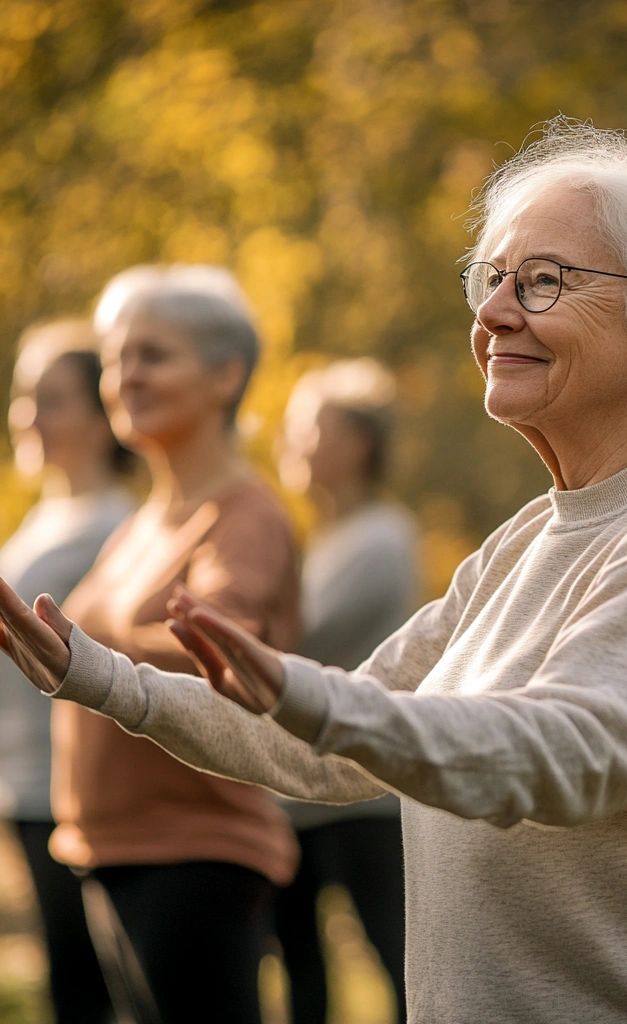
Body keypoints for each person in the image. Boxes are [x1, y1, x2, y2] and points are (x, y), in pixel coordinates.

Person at [0, 121, 627, 1023]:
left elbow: (566, 755)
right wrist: (100, 677)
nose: (495, 312)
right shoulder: (526, 540)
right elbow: (325, 746)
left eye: (542, 282)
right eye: (489, 279)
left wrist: (315, 699)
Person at [48, 266, 301, 1024]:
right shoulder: (142, 523)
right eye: (117, 358)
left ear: (226, 375)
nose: (126, 376)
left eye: (153, 355)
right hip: (112, 849)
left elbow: (223, 652)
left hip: (194, 853)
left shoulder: (244, 515)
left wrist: (77, 646)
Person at [0, 320, 134, 1024]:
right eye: (25, 397)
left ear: (101, 413)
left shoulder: (118, 523)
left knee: (91, 991)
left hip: (75, 791)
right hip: (22, 782)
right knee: (67, 983)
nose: (29, 416)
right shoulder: (44, 517)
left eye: (52, 399)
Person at [275, 359, 416, 1024]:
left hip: (361, 794)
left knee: (398, 957)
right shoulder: (319, 544)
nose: (291, 442)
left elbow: (295, 641)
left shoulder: (381, 540)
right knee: (300, 970)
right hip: (296, 792)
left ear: (357, 443)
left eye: (309, 428)